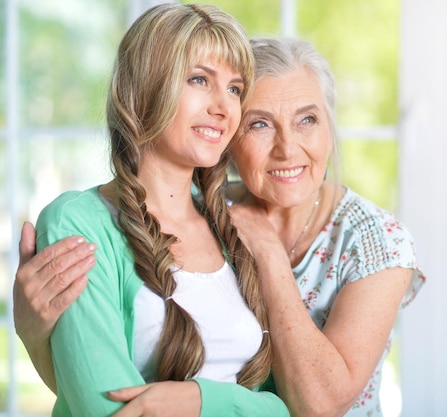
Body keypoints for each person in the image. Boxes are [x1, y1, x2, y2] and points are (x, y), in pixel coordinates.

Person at [14, 36, 425, 417]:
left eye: (307, 120)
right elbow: (108, 391)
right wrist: (36, 334)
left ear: (330, 129)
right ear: (227, 136)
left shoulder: (377, 241)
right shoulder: (205, 213)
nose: (287, 148)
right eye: (259, 124)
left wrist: (269, 257)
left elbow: (319, 405)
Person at [13, 3, 289, 416]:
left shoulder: (234, 223)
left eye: (234, 89)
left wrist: (200, 399)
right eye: (200, 79)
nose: (224, 107)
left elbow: (285, 406)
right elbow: (104, 408)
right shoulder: (79, 222)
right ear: (146, 87)